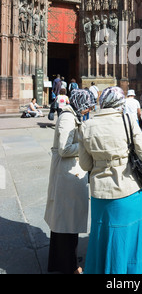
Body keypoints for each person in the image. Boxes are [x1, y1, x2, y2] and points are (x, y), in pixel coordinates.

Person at [78, 87, 142, 274]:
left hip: (100, 192)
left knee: (101, 239)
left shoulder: (86, 125)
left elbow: (85, 165)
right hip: (127, 190)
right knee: (128, 242)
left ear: (102, 102)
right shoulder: (128, 121)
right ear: (120, 103)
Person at [44, 89, 94, 274]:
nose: (88, 109)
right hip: (67, 175)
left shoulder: (72, 115)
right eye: (87, 105)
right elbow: (65, 149)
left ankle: (62, 260)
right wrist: (86, 144)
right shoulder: (67, 117)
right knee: (66, 221)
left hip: (70, 173)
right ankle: (68, 265)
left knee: (66, 221)